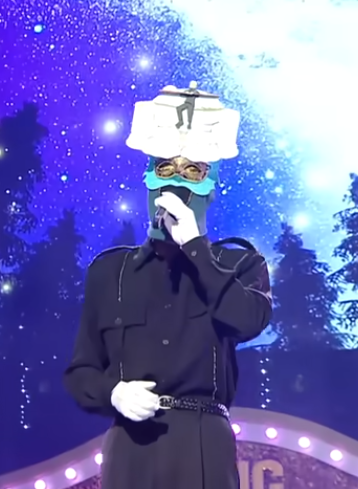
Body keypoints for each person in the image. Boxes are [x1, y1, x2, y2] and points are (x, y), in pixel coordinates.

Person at [64, 83, 272, 489]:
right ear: (148, 179)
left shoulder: (240, 264)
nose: (177, 180)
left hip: (203, 442)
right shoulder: (110, 272)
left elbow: (248, 321)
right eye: (165, 168)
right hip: (131, 446)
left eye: (193, 170)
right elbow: (81, 370)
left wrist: (195, 247)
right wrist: (113, 393)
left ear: (210, 185)